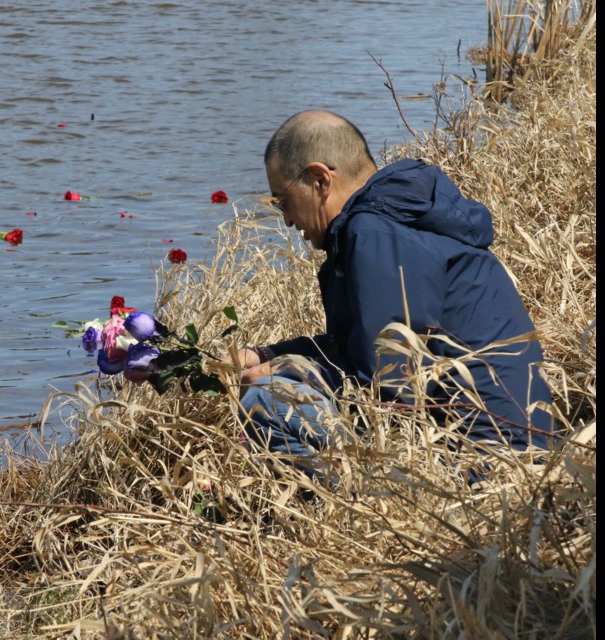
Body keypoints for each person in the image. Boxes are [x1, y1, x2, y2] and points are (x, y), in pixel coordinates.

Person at [235, 109, 554, 482]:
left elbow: (391, 387)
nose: (287, 221)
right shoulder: (394, 220)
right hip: (507, 448)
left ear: (321, 179)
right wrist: (268, 355)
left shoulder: (374, 234)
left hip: (483, 463)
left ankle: (342, 518)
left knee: (266, 401)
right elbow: (362, 346)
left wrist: (282, 372)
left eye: (283, 201)